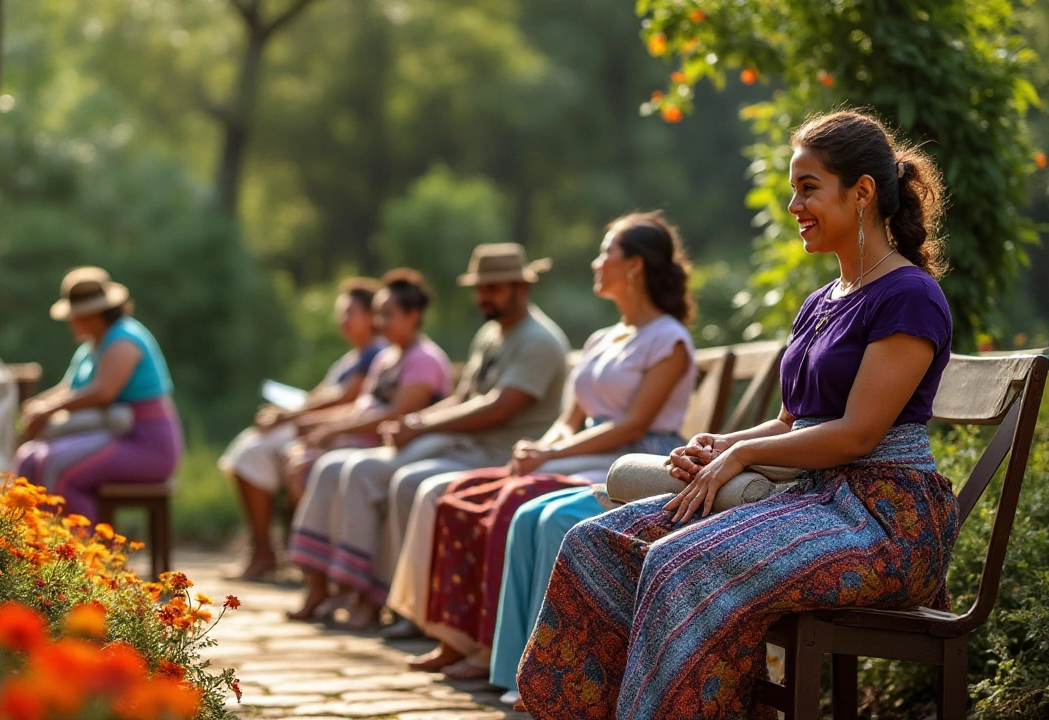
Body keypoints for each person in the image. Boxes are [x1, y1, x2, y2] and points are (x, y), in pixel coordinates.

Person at [517, 110, 957, 719]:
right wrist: (718, 442)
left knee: (682, 564)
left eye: (809, 188)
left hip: (880, 520)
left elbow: (858, 435)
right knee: (597, 541)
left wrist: (740, 456)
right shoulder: (823, 301)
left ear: (862, 193)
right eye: (792, 188)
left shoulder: (910, 296)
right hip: (806, 498)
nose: (794, 204)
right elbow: (788, 422)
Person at [395, 212, 698, 685]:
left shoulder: (669, 339)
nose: (596, 262)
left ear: (635, 266)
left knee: (525, 507)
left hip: (633, 461)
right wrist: (540, 447)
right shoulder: (602, 338)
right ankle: (472, 640)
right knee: (465, 493)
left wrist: (550, 457)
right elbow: (568, 419)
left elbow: (631, 425)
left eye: (606, 253)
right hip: (587, 450)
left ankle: (532, 669)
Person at [287, 244, 569, 630]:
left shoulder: (538, 340)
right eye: (479, 288)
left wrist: (423, 426)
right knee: (348, 467)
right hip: (465, 444)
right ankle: (347, 588)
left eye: (493, 289)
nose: (482, 297)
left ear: (521, 287)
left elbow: (498, 408)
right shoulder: (492, 333)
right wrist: (417, 421)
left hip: (502, 452)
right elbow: (464, 397)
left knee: (404, 481)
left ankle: (404, 604)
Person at [284, 269, 454, 619]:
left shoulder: (424, 359)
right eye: (378, 313)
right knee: (324, 467)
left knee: (343, 468)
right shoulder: (386, 357)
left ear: (413, 315)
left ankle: (364, 595)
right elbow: (361, 406)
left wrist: (332, 431)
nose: (380, 322)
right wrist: (319, 424)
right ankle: (320, 584)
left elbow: (394, 415)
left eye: (388, 314)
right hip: (372, 445)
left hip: (406, 448)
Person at [219, 278, 384, 580]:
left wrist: (290, 417)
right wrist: (290, 413)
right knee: (250, 446)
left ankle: (278, 553)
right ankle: (265, 548)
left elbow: (347, 399)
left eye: (349, 313)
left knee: (257, 451)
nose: (342, 321)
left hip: (343, 432)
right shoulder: (352, 357)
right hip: (321, 426)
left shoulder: (376, 354)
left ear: (372, 315)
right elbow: (320, 394)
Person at [15, 267, 183, 523]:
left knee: (60, 468)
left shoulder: (124, 340)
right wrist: (37, 406)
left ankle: (82, 553)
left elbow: (104, 392)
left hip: (144, 442)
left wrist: (47, 411)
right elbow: (68, 389)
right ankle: (30, 546)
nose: (71, 322)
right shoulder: (91, 346)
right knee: (28, 458)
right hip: (109, 435)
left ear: (91, 314)